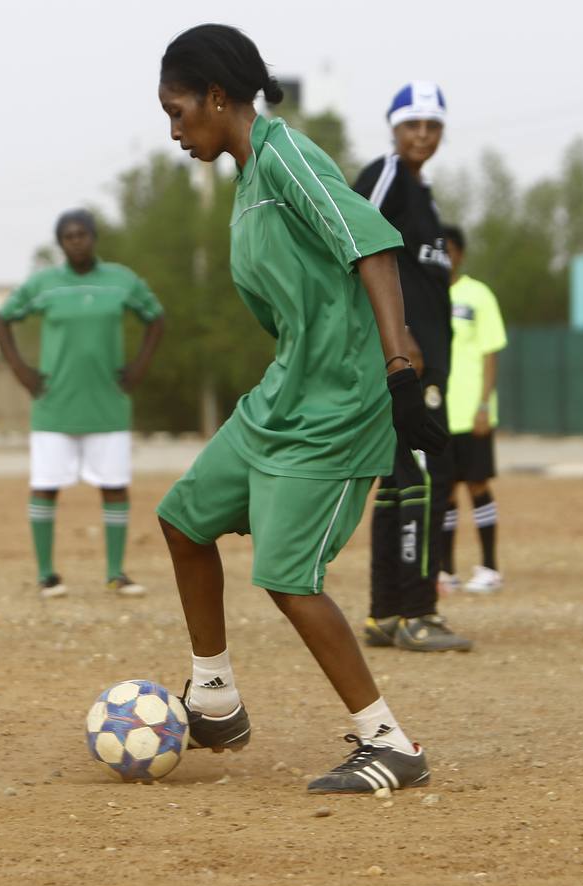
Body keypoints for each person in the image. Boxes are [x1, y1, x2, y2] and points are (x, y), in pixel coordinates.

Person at [155, 24, 448, 794]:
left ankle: (389, 743)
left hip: (339, 405)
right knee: (184, 520)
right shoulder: (249, 179)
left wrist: (396, 368)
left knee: (289, 579)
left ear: (218, 98)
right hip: (284, 392)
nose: (175, 129)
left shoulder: (286, 155)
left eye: (179, 111)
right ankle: (213, 694)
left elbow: (371, 246)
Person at [353, 81, 473, 653]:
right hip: (405, 367)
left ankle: (385, 613)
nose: (423, 135)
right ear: (394, 128)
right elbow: (346, 238)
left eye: (433, 126)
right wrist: (395, 339)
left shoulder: (423, 197)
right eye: (412, 125)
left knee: (402, 482)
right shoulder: (388, 175)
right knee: (428, 480)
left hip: (423, 368)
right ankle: (418, 612)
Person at [0, 210, 165, 599]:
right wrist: (22, 370)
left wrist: (139, 367)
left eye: (82, 234)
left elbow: (156, 318)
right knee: (45, 488)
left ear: (94, 237)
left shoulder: (121, 280)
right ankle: (46, 575)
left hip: (108, 406)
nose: (76, 241)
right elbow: (1, 319)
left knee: (115, 487)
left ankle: (116, 573)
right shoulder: (45, 285)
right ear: (60, 243)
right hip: (55, 407)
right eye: (68, 236)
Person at [437, 223, 507, 594]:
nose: (444, 256)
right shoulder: (428, 296)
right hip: (440, 415)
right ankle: (446, 571)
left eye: (450, 249)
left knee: (477, 486)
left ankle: (490, 567)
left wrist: (483, 405)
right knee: (445, 490)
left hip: (472, 413)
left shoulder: (477, 295)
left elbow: (490, 352)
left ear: (460, 253)